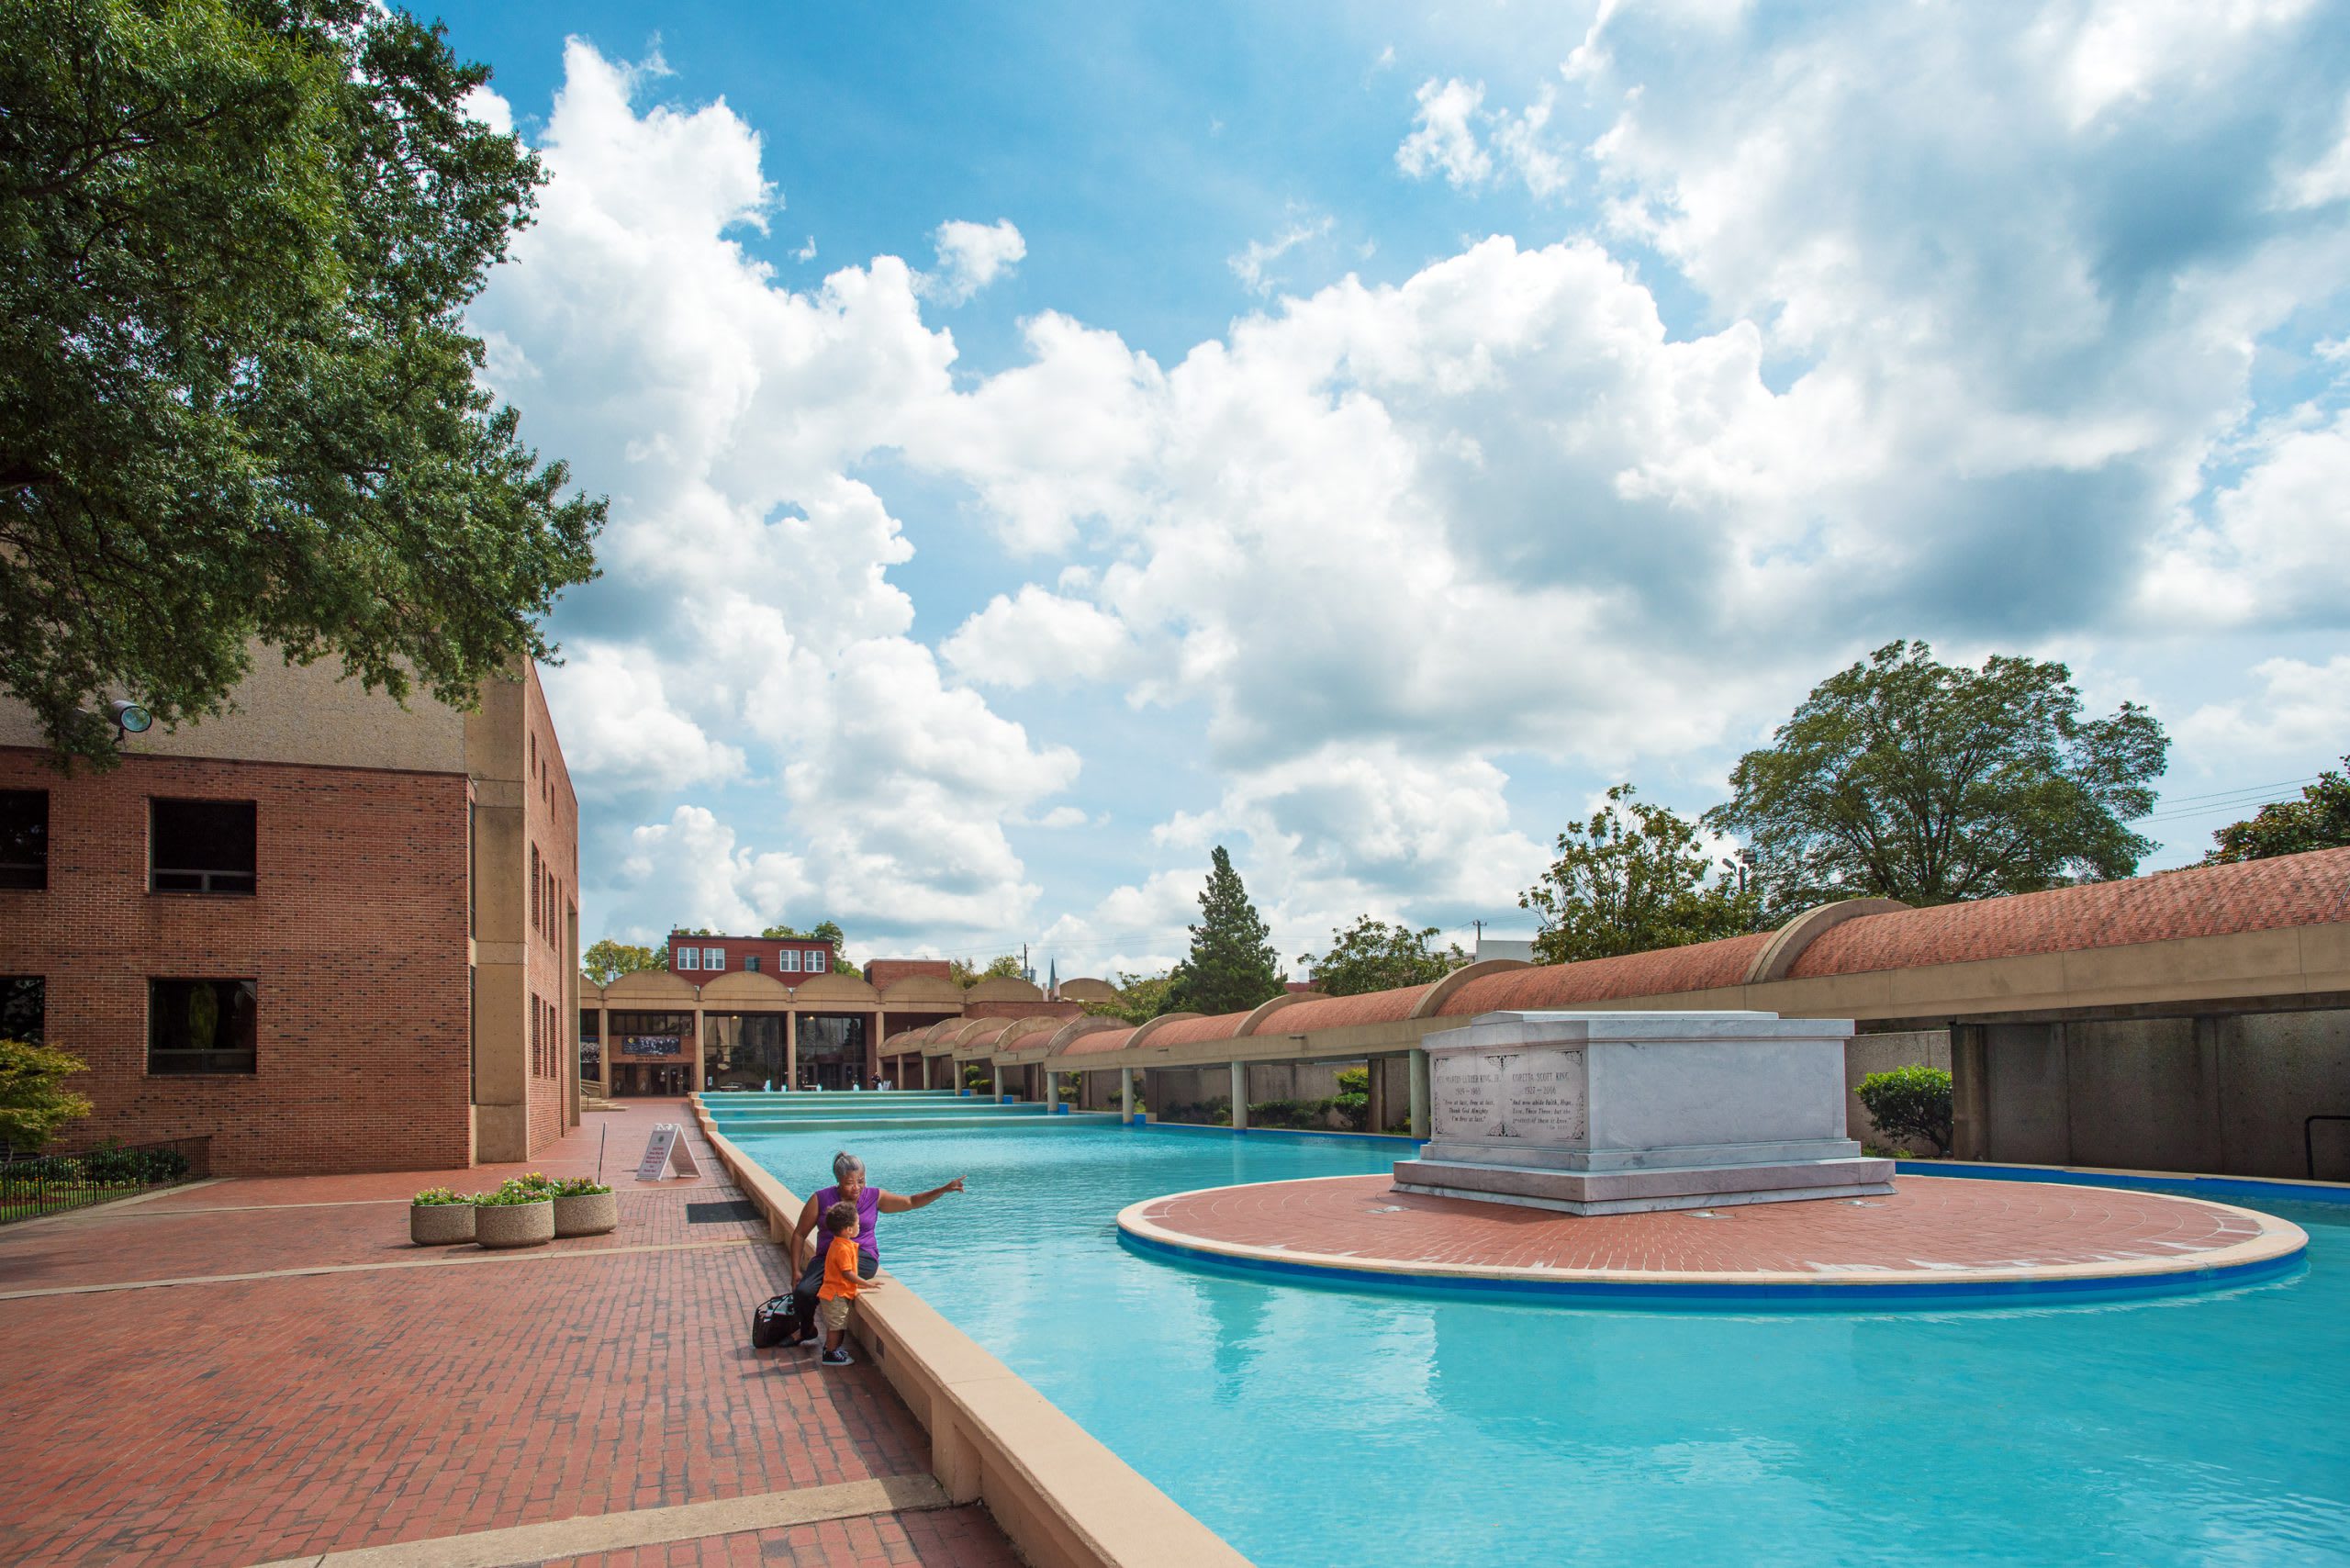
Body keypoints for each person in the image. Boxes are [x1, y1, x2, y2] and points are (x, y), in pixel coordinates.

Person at [786, 1151, 965, 1346]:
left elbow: (911, 1202)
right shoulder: (820, 1198)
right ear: (838, 1180)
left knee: (833, 1280)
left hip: (862, 1257)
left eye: (861, 1181)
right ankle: (807, 1330)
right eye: (850, 1182)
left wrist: (944, 1189)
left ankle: (832, 1344)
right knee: (803, 1291)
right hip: (827, 1257)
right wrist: (795, 1270)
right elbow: (800, 1234)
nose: (857, 1187)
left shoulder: (874, 1196)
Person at [813, 1200, 867, 1366]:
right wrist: (866, 1283)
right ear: (848, 1229)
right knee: (836, 1325)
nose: (859, 1226)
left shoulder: (840, 1243)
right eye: (857, 1223)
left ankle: (833, 1349)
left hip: (837, 1293)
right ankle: (829, 1353)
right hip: (835, 1294)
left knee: (838, 1323)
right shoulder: (842, 1248)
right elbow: (847, 1273)